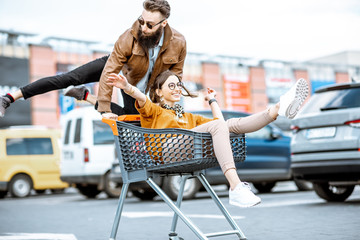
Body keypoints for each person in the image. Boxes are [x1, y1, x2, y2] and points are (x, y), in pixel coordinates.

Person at [105, 70, 309, 207]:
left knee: (230, 124)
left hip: (186, 149)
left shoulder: (187, 116)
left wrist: (212, 101)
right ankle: (235, 186)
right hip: (166, 153)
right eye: (171, 86)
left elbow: (221, 125)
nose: (177, 89)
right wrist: (127, 87)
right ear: (159, 91)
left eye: (178, 85)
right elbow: (142, 98)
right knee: (220, 125)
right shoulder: (154, 111)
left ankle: (277, 109)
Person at [0, 0, 186, 119]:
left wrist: (165, 105)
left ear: (164, 24)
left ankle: (85, 96)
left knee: (130, 118)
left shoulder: (178, 43)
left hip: (133, 84)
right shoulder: (129, 36)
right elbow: (110, 71)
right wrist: (104, 110)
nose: (143, 28)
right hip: (118, 67)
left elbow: (174, 79)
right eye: (141, 20)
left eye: (150, 25)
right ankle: (8, 98)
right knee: (69, 78)